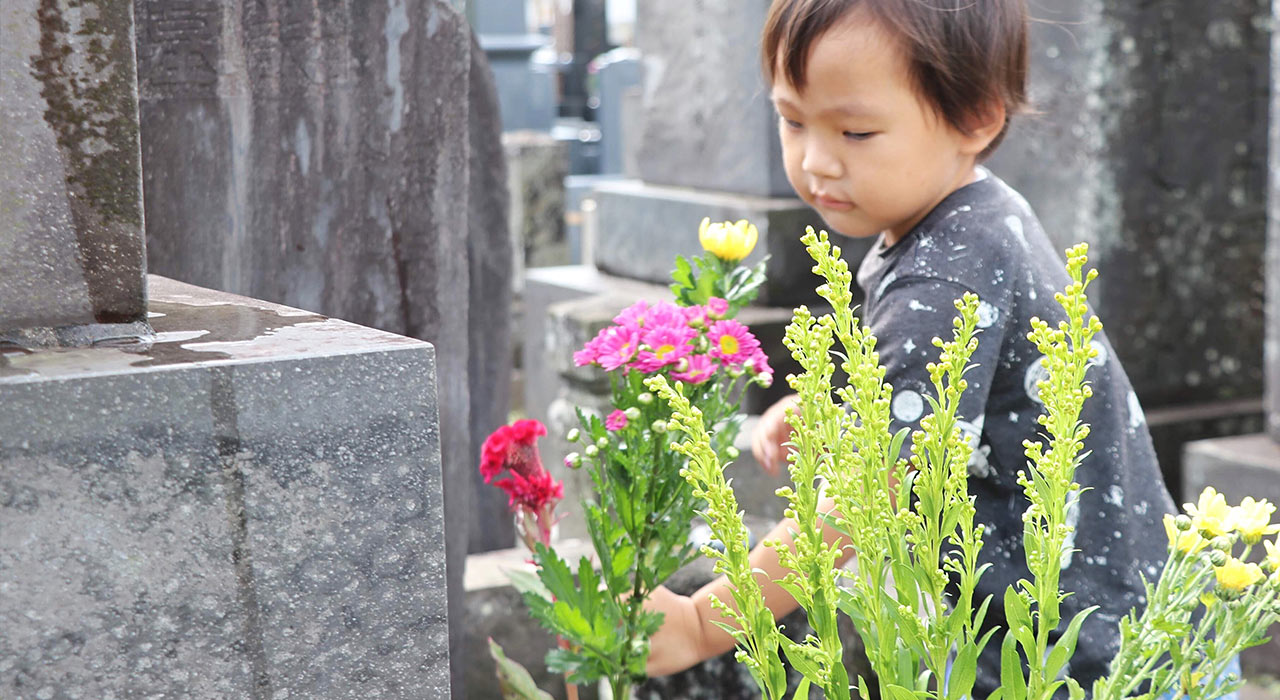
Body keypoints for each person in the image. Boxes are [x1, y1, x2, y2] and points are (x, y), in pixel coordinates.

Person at [643, 0, 1202, 696]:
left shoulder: (950, 265)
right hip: (1119, 626)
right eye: (792, 120)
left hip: (1083, 661)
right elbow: (943, 396)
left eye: (856, 130)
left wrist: (703, 622)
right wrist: (838, 416)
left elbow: (866, 492)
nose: (816, 160)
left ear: (976, 118)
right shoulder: (962, 218)